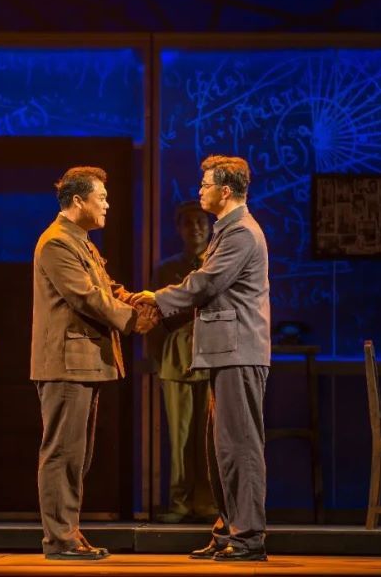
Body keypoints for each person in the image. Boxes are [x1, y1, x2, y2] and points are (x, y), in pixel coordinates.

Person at [134, 155, 270, 562]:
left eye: (205, 185)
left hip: (238, 351)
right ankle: (229, 529)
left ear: (225, 191)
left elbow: (205, 284)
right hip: (224, 351)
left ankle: (248, 538)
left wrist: (156, 298)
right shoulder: (226, 231)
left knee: (240, 446)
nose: (200, 191)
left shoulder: (241, 233)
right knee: (221, 448)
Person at [31, 166, 157, 561]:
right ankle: (59, 540)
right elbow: (86, 296)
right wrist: (132, 319)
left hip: (82, 363)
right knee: (63, 454)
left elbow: (106, 287)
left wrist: (136, 299)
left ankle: (67, 532)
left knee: (77, 456)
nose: (107, 204)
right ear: (77, 200)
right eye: (100, 197)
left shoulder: (80, 242)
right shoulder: (56, 243)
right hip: (66, 364)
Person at [146, 201, 218, 523]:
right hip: (176, 359)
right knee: (179, 437)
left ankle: (207, 500)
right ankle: (180, 501)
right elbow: (154, 317)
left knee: (208, 436)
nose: (196, 228)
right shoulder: (166, 269)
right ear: (179, 229)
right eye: (188, 223)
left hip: (211, 357)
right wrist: (157, 356)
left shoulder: (217, 265)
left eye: (200, 221)